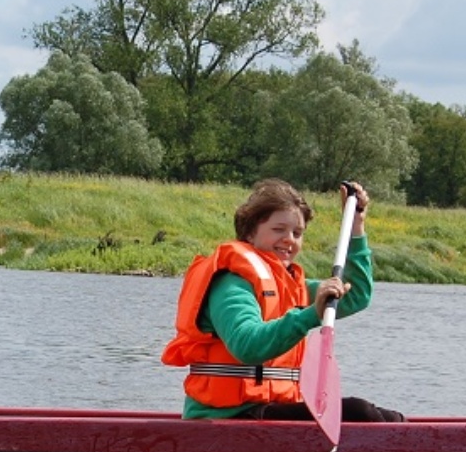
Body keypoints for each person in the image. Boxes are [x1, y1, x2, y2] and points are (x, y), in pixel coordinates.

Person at [161, 178, 403, 422]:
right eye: (279, 230)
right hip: (226, 417)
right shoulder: (230, 284)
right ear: (249, 232)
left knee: (389, 419)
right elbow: (247, 345)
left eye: (297, 233)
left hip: (272, 411)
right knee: (360, 413)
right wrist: (311, 314)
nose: (289, 239)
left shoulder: (292, 287)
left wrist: (356, 225)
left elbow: (357, 295)